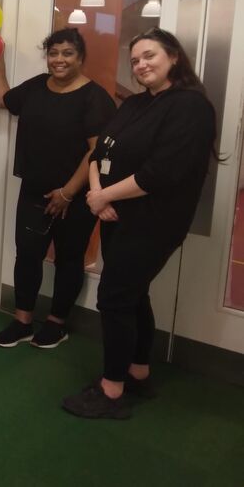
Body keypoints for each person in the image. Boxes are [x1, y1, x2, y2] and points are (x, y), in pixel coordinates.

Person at [62, 28, 217, 419]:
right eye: (135, 60)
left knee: (114, 299)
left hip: (153, 223)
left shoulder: (190, 107)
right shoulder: (134, 105)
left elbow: (160, 174)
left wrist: (104, 197)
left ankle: (112, 392)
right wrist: (98, 196)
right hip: (114, 214)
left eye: (150, 56)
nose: (141, 65)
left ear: (173, 58)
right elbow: (99, 152)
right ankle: (138, 373)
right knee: (133, 295)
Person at [0, 28, 115, 349]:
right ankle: (22, 321)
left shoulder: (94, 98)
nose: (59, 60)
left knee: (69, 259)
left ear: (80, 58)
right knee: (27, 255)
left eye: (67, 53)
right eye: (54, 53)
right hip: (35, 190)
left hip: (75, 195)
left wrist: (67, 193)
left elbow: (96, 152)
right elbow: (4, 99)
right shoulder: (36, 86)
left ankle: (57, 323)